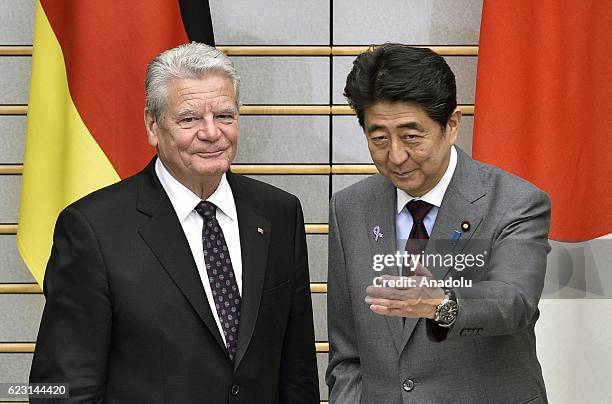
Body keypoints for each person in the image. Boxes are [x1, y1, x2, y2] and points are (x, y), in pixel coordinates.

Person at [29, 43, 319, 403]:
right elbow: (62, 390)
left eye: (225, 116)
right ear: (152, 125)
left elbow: (298, 374)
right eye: (189, 118)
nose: (212, 133)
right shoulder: (92, 229)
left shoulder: (279, 212)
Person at [326, 43, 551, 403]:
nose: (396, 156)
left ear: (452, 125)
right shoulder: (349, 209)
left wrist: (442, 304)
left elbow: (513, 302)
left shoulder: (514, 202)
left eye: (411, 137)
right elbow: (348, 352)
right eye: (379, 138)